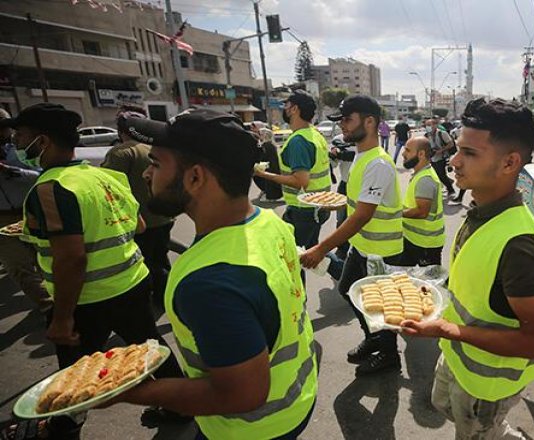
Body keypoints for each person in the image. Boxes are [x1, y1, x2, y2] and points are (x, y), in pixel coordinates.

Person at [112, 108, 317, 438]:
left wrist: (129, 392)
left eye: (156, 163)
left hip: (253, 429)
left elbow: (242, 394)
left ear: (195, 177)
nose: (147, 175)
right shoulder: (269, 221)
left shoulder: (208, 282)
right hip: (296, 398)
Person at [13, 103, 184, 437]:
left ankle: (62, 427)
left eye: (21, 137)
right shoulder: (106, 177)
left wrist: (62, 318)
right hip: (131, 283)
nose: (17, 143)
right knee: (150, 346)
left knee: (75, 372)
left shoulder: (50, 189)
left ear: (43, 141)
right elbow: (138, 225)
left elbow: (71, 259)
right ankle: (180, 405)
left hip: (87, 298)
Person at [400, 98, 534, 439]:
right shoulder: (481, 210)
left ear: (509, 162)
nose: (454, 161)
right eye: (457, 149)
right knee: (443, 406)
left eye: (469, 153)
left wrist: (447, 331)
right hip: (457, 359)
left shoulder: (520, 245)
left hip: (488, 382)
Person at [300, 95, 404, 375]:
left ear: (369, 121)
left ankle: (389, 354)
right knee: (348, 289)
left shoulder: (378, 164)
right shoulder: (361, 154)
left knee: (379, 304)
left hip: (381, 250)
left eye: (347, 120)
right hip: (363, 245)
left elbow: (362, 215)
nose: (342, 127)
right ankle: (373, 339)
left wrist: (320, 249)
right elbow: (357, 203)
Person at [102, 108, 175, 312]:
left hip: (140, 220)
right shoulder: (152, 149)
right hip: (163, 217)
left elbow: (109, 189)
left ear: (121, 131)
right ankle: (166, 293)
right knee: (160, 257)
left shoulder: (120, 153)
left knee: (148, 262)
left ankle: (163, 296)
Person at [256, 91, 332, 253]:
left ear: (294, 109)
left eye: (286, 105)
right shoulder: (314, 134)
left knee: (293, 254)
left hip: (304, 209)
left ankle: (342, 273)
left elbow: (300, 181)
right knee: (310, 251)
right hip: (317, 206)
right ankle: (343, 274)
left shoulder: (298, 141)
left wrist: (263, 174)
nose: (284, 109)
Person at [0, 109, 52, 314]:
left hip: (30, 210)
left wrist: (12, 172)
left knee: (44, 258)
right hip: (3, 217)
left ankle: (62, 298)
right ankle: (50, 306)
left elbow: (43, 174)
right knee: (17, 265)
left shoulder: (21, 150)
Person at [400, 136, 445, 267]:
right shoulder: (420, 174)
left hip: (425, 244)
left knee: (428, 283)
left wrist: (397, 213)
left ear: (421, 154)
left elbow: (421, 212)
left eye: (407, 150)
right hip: (413, 240)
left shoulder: (425, 179)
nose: (403, 154)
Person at [329, 133, 356, 260]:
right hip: (345, 184)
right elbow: (333, 164)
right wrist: (333, 155)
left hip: (361, 185)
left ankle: (356, 249)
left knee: (359, 218)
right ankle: (342, 248)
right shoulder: (338, 140)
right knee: (341, 219)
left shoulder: (366, 136)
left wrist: (344, 154)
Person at [425, 118, 461, 204]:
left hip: (442, 157)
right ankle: (448, 184)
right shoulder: (427, 135)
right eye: (427, 125)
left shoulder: (442, 133)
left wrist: (441, 150)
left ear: (435, 125)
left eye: (430, 125)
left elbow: (451, 144)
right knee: (436, 175)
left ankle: (451, 190)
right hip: (432, 158)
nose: (428, 127)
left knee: (441, 174)